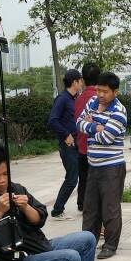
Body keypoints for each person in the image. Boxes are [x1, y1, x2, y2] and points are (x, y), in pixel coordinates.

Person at [77, 71, 128, 260]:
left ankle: (110, 245)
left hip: (112, 167)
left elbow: (106, 138)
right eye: (98, 90)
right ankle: (86, 243)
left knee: (110, 209)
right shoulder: (91, 102)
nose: (100, 95)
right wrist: (95, 127)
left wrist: (92, 125)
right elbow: (79, 123)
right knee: (90, 209)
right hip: (93, 165)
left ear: (115, 92)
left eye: (105, 91)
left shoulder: (119, 111)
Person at [48, 68, 84, 217]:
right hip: (67, 145)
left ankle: (81, 205)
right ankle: (57, 210)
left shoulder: (74, 98)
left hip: (77, 143)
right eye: (80, 80)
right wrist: (66, 135)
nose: (82, 83)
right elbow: (52, 120)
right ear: (74, 82)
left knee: (79, 175)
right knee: (71, 178)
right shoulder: (62, 99)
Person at [73, 62, 100, 212]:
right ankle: (92, 205)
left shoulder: (79, 98)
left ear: (83, 79)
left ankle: (81, 202)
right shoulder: (100, 98)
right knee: (95, 179)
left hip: (82, 145)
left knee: (83, 177)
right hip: (96, 147)